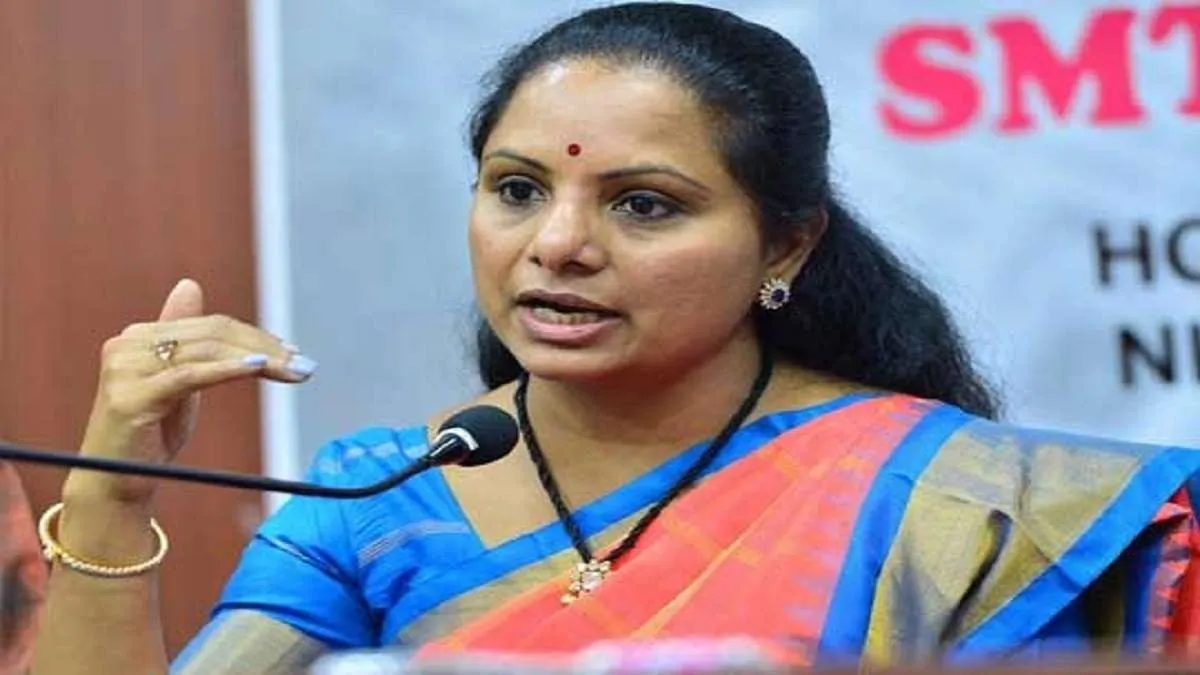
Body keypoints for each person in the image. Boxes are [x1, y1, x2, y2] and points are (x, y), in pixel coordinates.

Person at [28, 3, 1200, 673]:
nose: (558, 244)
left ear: (786, 244)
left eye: (644, 204)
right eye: (517, 189)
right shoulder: (378, 497)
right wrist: (111, 491)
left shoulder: (963, 506)